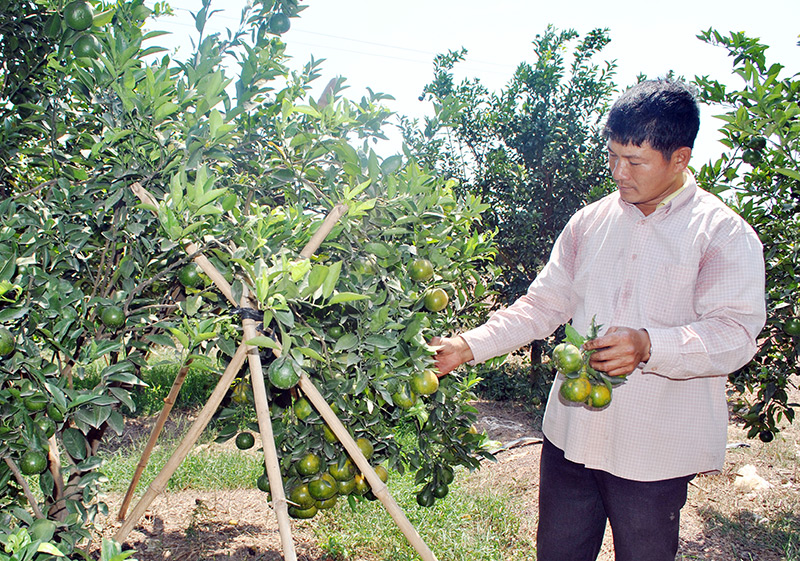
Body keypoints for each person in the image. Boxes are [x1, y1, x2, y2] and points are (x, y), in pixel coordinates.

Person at [432, 79, 766, 561]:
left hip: (654, 448)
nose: (618, 172)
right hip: (571, 434)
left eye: (634, 161)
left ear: (680, 158)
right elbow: (543, 305)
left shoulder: (721, 234)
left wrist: (651, 345)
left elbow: (735, 334)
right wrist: (468, 345)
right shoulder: (590, 223)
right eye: (612, 156)